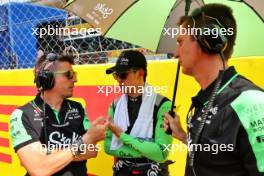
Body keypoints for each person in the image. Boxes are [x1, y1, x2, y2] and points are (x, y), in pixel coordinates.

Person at [164, 3, 264, 176]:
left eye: (180, 42)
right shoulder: (205, 100)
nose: (176, 53)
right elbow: (218, 160)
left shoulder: (250, 103)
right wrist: (182, 135)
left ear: (207, 39)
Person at [10, 53, 107, 176]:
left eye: (74, 74)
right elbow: (38, 169)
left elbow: (92, 151)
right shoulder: (22, 115)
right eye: (69, 75)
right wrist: (83, 142)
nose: (75, 79)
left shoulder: (78, 108)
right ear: (47, 78)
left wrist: (47, 154)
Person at [104, 50, 173, 176]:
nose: (118, 79)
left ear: (140, 73)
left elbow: (161, 153)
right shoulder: (114, 105)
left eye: (123, 74)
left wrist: (121, 135)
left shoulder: (163, 105)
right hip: (122, 171)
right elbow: (108, 148)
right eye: (116, 75)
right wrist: (146, 149)